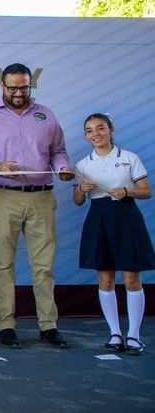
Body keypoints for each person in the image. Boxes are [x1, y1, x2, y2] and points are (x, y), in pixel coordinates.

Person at [0, 62, 75, 349]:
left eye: (24, 87)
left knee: (43, 265)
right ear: (1, 86)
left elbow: (58, 151)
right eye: (13, 87)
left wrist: (63, 167)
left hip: (42, 195)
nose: (18, 92)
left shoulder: (46, 114)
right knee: (4, 263)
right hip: (4, 196)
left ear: (30, 85)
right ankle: (6, 325)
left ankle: (48, 325)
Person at [73, 113, 153, 355]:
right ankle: (115, 333)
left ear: (111, 130)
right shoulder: (83, 165)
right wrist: (83, 190)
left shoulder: (129, 158)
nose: (95, 134)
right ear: (86, 136)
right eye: (89, 130)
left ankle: (134, 335)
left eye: (100, 128)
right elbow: (77, 201)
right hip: (99, 220)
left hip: (126, 218)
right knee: (105, 279)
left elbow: (146, 192)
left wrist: (127, 191)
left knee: (131, 279)